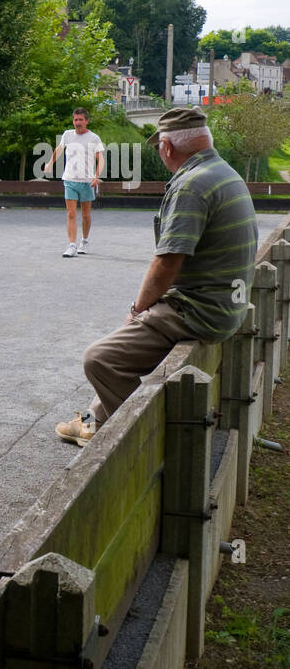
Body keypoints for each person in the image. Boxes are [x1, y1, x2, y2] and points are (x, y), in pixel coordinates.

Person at [56, 108, 257, 447]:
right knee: (124, 346)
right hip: (224, 303)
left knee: (100, 358)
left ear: (166, 147)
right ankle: (90, 422)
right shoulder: (223, 172)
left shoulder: (192, 185)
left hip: (199, 310)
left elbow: (166, 263)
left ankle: (146, 440)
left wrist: (138, 309)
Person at [45, 108, 104, 257]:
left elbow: (101, 159)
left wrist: (97, 176)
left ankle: (84, 241)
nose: (77, 123)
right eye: (75, 120)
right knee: (71, 214)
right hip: (70, 179)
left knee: (85, 215)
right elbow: (59, 150)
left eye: (80, 120)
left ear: (86, 121)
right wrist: (49, 163)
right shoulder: (67, 135)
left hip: (87, 181)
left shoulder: (94, 138)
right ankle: (71, 245)